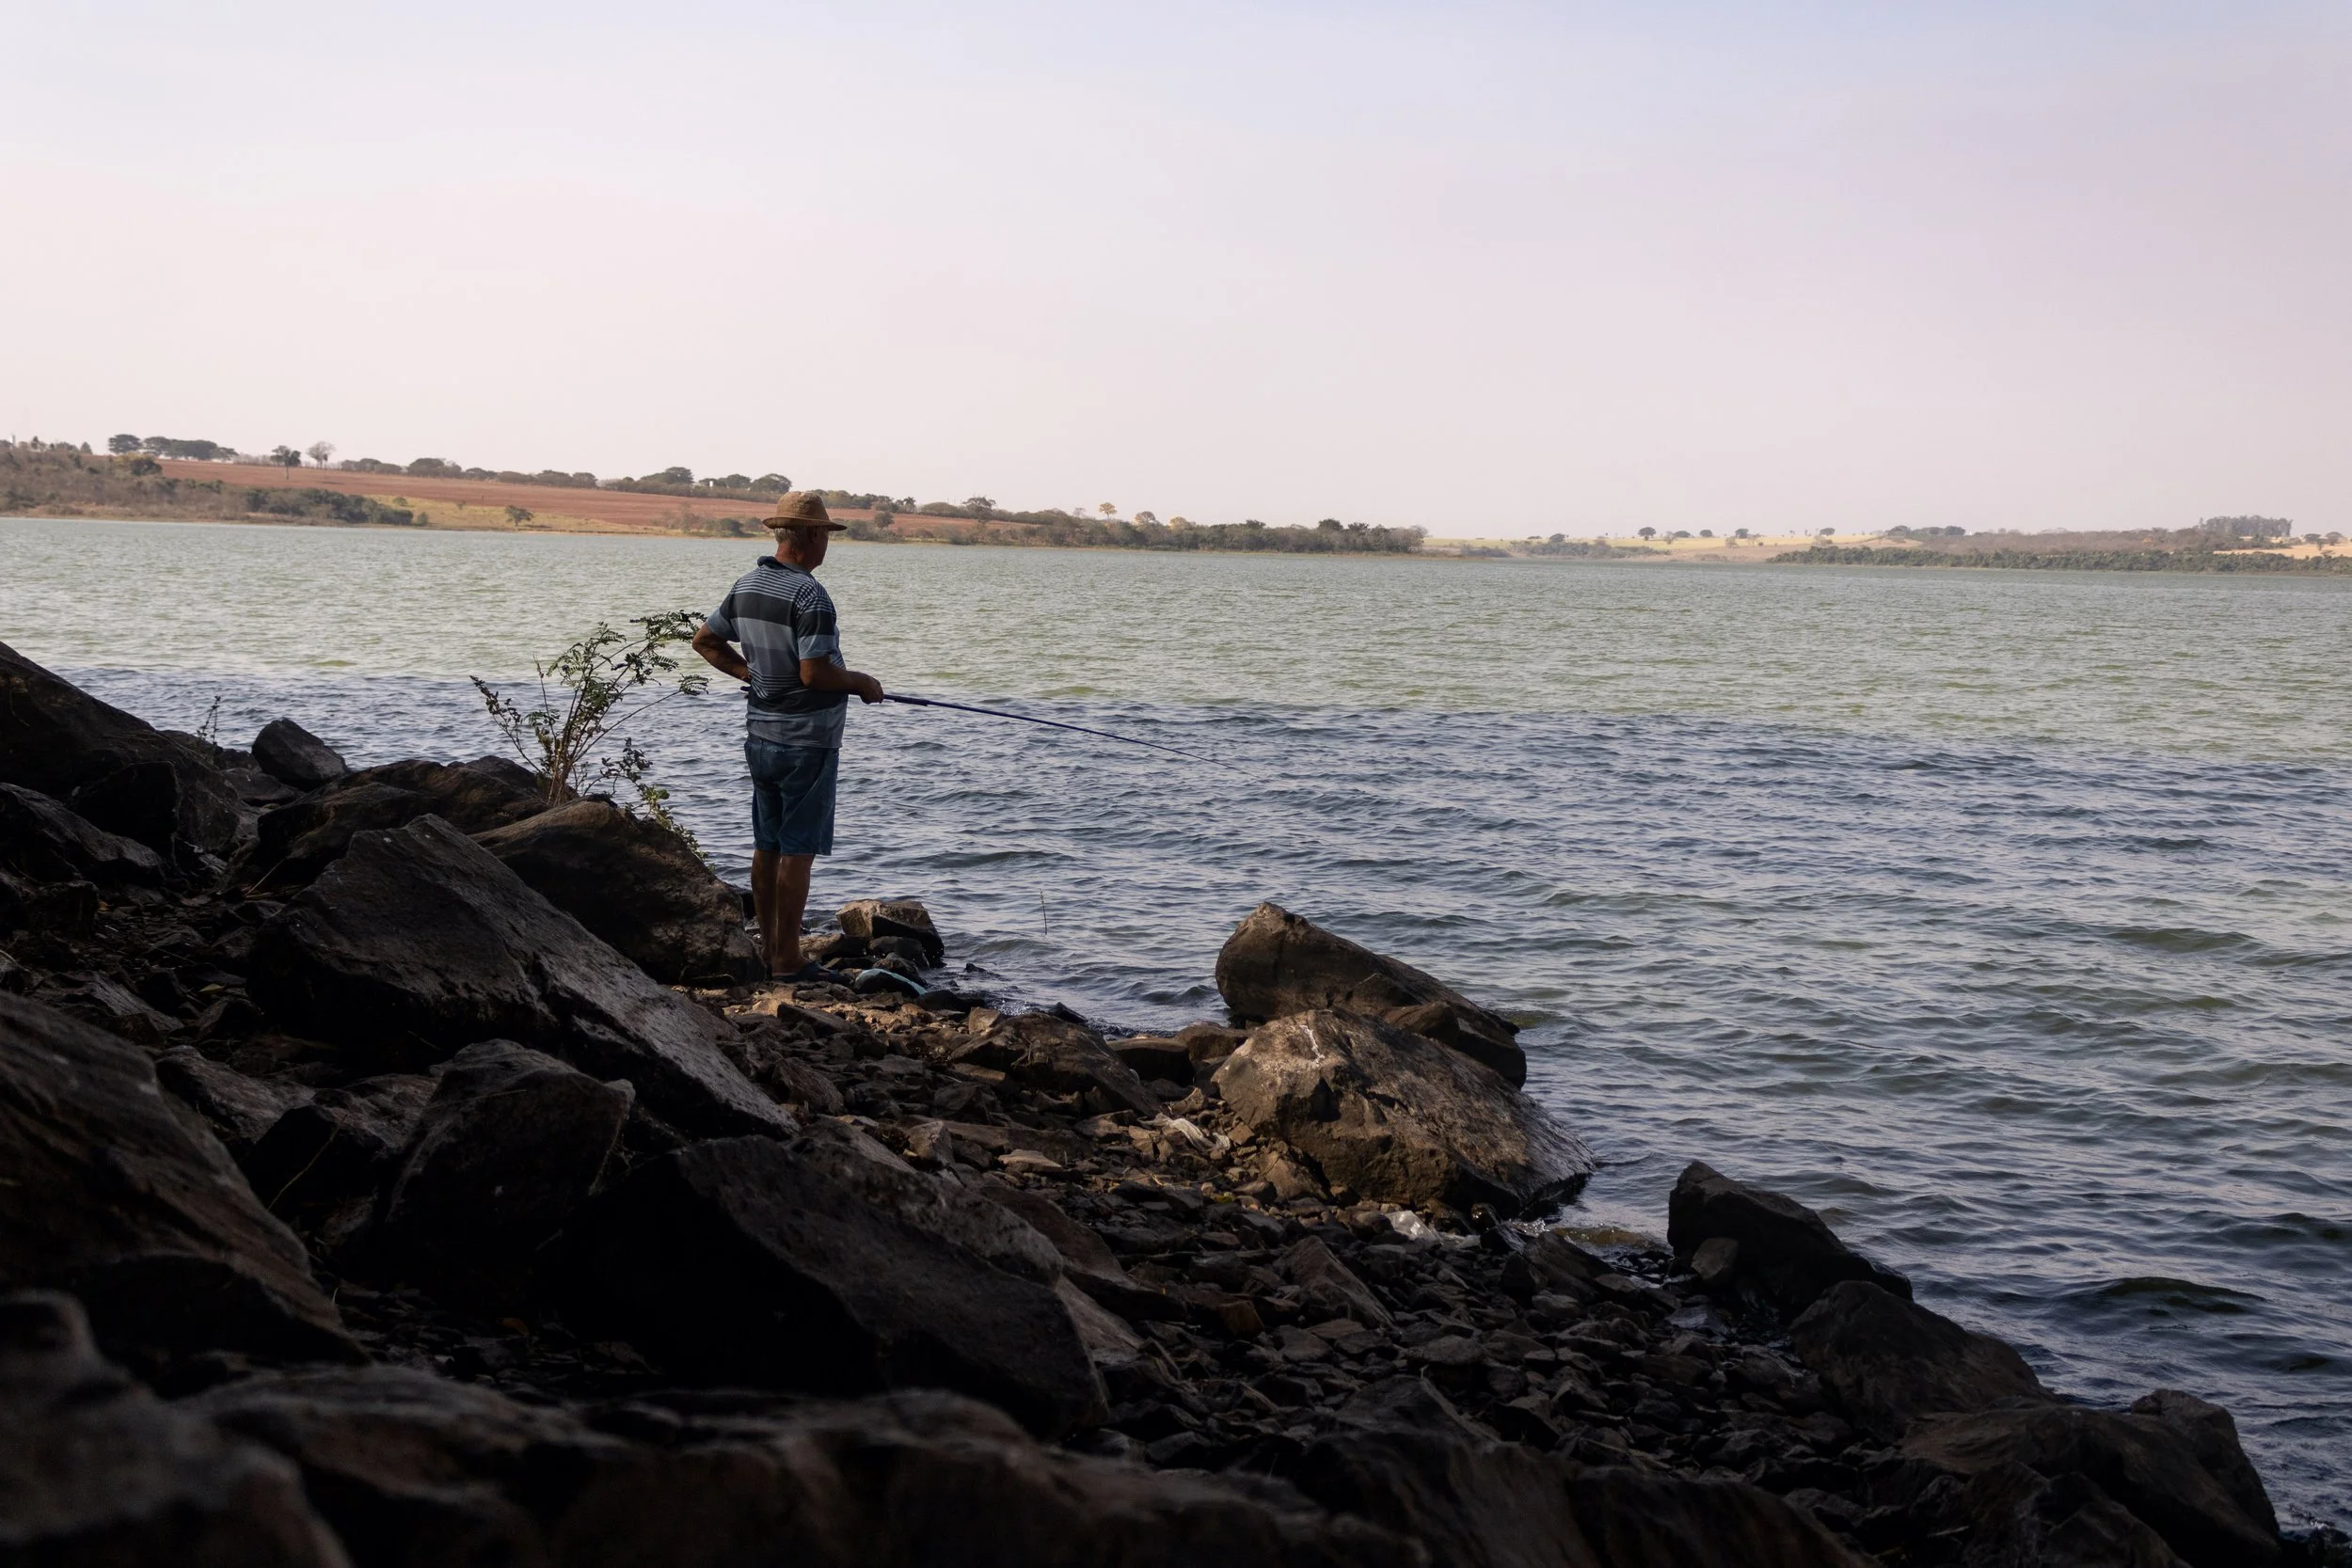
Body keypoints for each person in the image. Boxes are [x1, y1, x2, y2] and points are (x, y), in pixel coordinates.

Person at [691, 492, 885, 979]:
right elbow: (814, 674)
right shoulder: (809, 596)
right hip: (808, 741)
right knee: (797, 850)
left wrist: (751, 675)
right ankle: (787, 959)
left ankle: (768, 950)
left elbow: (705, 641)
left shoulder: (747, 584)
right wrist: (861, 682)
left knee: (767, 844)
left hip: (760, 735)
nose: (826, 546)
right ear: (811, 537)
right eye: (825, 536)